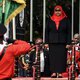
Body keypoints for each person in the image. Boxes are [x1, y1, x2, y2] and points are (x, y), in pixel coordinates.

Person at [45, 5, 71, 78]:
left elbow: (69, 32)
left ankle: (60, 73)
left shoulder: (66, 20)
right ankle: (53, 72)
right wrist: (46, 42)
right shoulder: (50, 19)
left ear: (61, 11)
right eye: (56, 10)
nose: (57, 12)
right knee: (53, 58)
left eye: (59, 10)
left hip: (62, 42)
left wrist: (68, 43)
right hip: (52, 42)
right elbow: (46, 32)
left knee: (61, 58)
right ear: (54, 11)